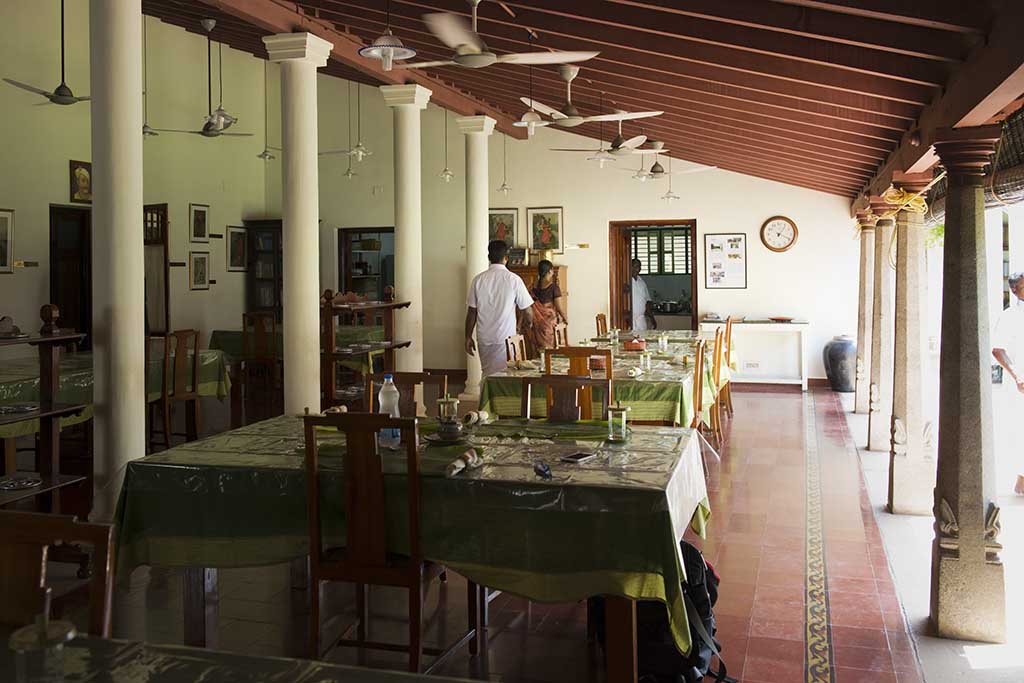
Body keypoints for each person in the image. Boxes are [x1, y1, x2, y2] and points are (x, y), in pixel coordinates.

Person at [466, 240, 535, 377]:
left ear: (489, 257)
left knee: (487, 375)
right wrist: (529, 324)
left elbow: (472, 312)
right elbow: (527, 310)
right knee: (506, 377)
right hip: (506, 338)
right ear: (506, 258)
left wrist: (467, 336)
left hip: (484, 338)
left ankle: (486, 398)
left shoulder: (478, 280)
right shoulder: (514, 279)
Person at [992, 271, 1024, 495]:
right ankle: (1021, 479)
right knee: (1018, 431)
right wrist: (1016, 376)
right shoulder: (1009, 316)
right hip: (1019, 386)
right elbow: (998, 349)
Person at [527, 259, 567, 355]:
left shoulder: (533, 287)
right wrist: (566, 318)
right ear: (549, 271)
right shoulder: (553, 288)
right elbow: (559, 308)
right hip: (549, 325)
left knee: (539, 351)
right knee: (550, 351)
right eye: (552, 270)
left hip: (536, 325)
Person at [630, 258, 653, 332]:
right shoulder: (626, 281)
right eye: (636, 266)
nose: (638, 269)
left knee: (642, 342)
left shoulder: (642, 282)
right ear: (630, 267)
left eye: (639, 267)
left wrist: (652, 317)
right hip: (630, 321)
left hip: (641, 320)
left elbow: (647, 301)